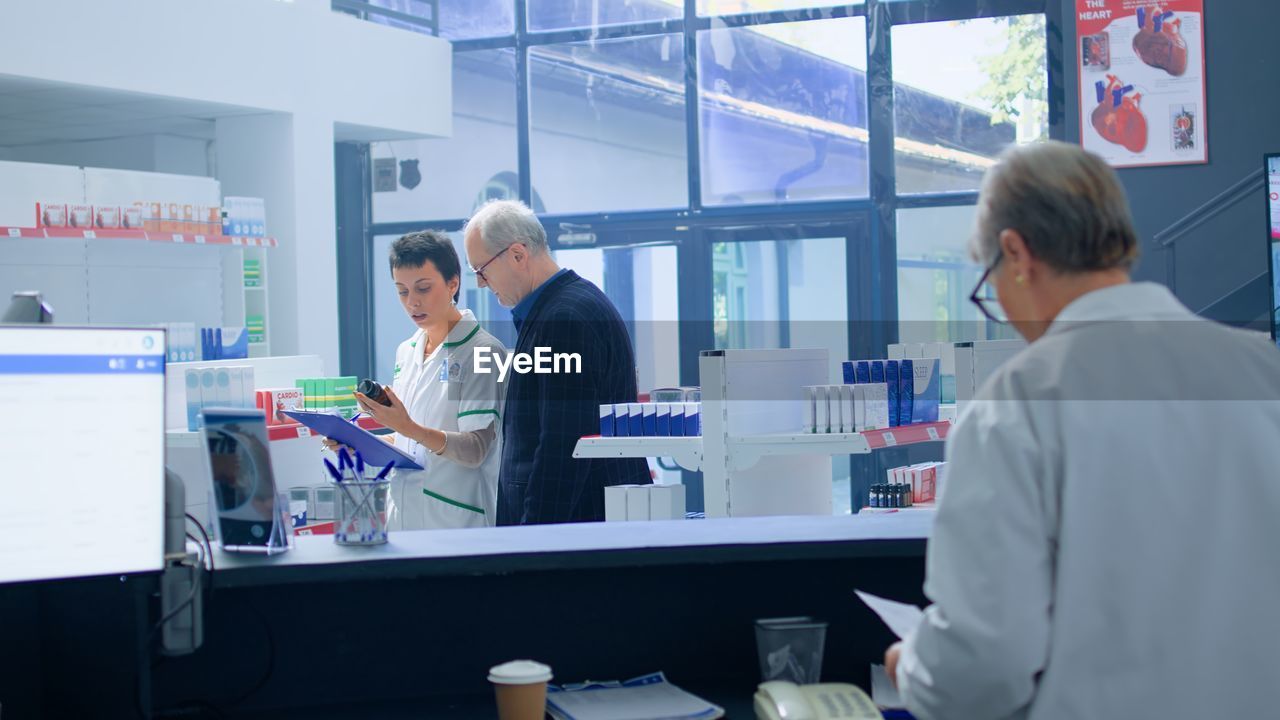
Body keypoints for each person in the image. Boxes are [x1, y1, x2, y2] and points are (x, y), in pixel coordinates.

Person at [884, 141, 1280, 719]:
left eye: (992, 282)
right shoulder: (1264, 372)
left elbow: (985, 665)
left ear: (1015, 252)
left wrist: (913, 667)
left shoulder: (1016, 404)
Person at [462, 199, 650, 524]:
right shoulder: (560, 309)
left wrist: (535, 543)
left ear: (518, 255)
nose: (480, 282)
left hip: (576, 532)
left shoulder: (563, 321)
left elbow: (562, 447)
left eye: (482, 270)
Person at [326, 230, 506, 529]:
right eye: (402, 291)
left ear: (453, 283)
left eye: (423, 288)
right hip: (404, 519)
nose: (412, 302)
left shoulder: (483, 351)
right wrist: (361, 442)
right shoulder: (406, 352)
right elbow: (410, 442)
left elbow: (476, 449)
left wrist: (406, 427)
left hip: (458, 524)